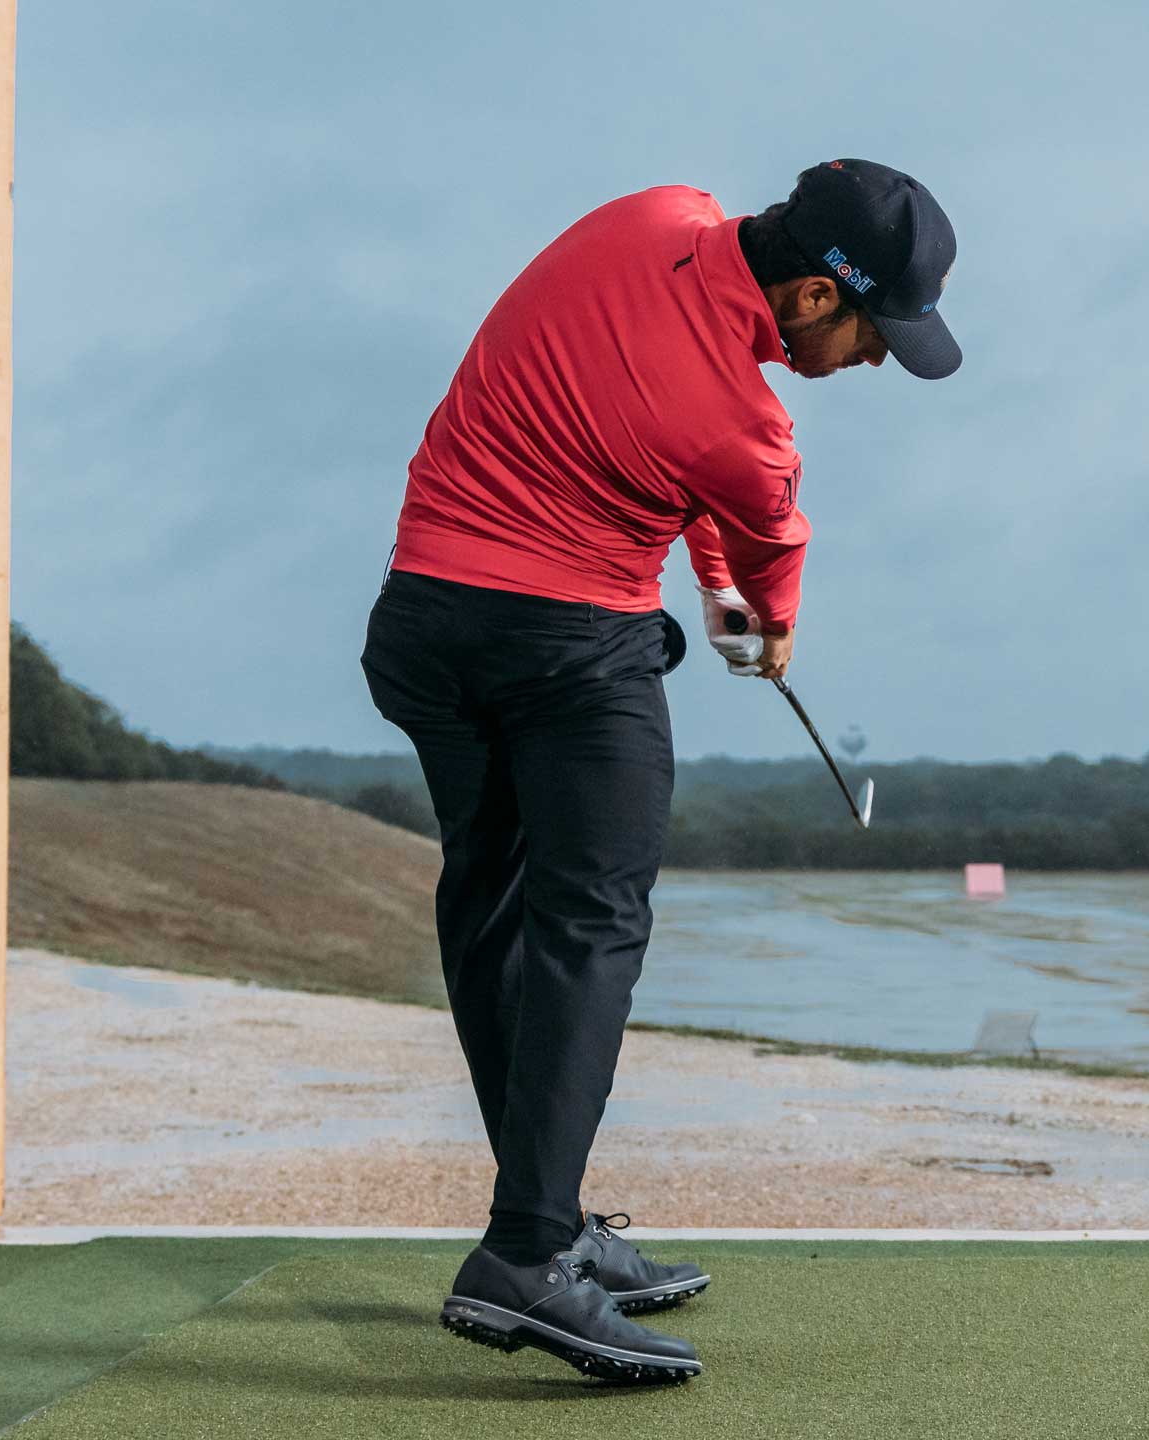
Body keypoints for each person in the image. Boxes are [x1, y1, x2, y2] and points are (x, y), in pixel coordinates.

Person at [360, 158, 959, 1383]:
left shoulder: (648, 215)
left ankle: (547, 1218)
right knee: (591, 926)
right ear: (811, 295)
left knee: (493, 906)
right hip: (567, 647)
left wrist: (712, 584)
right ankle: (527, 1255)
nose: (872, 362)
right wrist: (766, 617)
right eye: (872, 335)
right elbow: (760, 522)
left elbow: (637, 410)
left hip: (424, 621)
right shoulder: (752, 433)